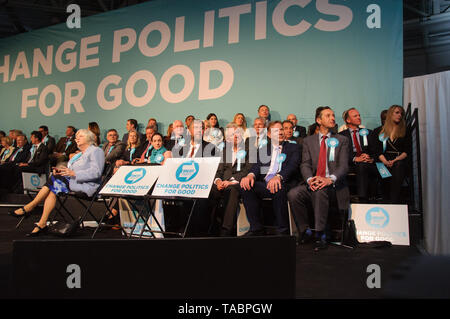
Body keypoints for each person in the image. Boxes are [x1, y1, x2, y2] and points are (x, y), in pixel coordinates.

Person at [9, 129, 105, 237]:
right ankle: (41, 223)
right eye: (76, 136)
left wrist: (74, 174)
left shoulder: (96, 151)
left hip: (87, 185)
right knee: (53, 188)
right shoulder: (78, 155)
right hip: (72, 182)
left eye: (80, 136)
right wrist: (62, 171)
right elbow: (70, 171)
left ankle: (30, 207)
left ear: (89, 138)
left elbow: (96, 172)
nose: (77, 138)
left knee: (55, 180)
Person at [288, 106, 349, 251]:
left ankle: (321, 234)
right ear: (318, 120)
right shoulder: (309, 141)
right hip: (314, 181)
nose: (332, 118)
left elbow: (344, 166)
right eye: (328, 115)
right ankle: (305, 231)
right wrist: (310, 179)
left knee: (320, 190)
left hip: (334, 186)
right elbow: (305, 164)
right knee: (293, 194)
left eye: (333, 115)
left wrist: (329, 179)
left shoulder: (342, 140)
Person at [240, 121, 300, 236]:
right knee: (246, 186)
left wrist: (279, 177)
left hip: (284, 182)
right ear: (269, 134)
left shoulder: (293, 147)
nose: (281, 132)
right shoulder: (264, 149)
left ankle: (282, 230)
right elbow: (257, 166)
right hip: (265, 183)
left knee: (278, 188)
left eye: (282, 130)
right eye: (276, 131)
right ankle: (256, 228)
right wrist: (250, 175)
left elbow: (293, 166)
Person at [209, 123, 252, 236]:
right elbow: (218, 171)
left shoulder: (249, 149)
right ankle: (209, 228)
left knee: (231, 190)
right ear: (228, 138)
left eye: (237, 133)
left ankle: (225, 231)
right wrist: (218, 181)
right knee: (210, 191)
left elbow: (248, 169)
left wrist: (231, 181)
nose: (235, 136)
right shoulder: (224, 151)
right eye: (232, 134)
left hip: (238, 182)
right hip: (222, 183)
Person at [372, 105, 410, 204]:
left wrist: (395, 160)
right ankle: (386, 200)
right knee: (383, 171)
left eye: (401, 113)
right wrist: (385, 161)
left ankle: (393, 201)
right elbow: (377, 151)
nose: (399, 115)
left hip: (398, 159)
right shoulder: (378, 131)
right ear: (390, 114)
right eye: (397, 113)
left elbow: (406, 151)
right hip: (382, 160)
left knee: (398, 166)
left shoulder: (405, 130)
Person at [339, 108, 378, 202]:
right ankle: (362, 198)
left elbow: (376, 151)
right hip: (351, 163)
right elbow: (340, 154)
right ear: (348, 120)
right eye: (355, 116)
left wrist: (371, 158)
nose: (359, 117)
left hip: (368, 162)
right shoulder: (341, 135)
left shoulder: (368, 132)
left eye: (359, 115)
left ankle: (373, 197)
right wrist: (355, 158)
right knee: (361, 165)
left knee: (364, 165)